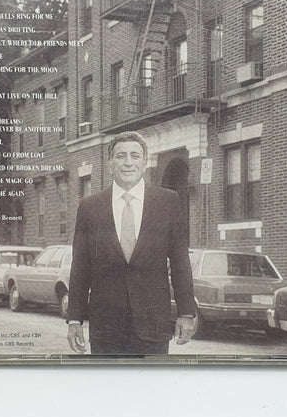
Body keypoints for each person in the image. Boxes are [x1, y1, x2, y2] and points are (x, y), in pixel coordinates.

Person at [67, 131, 197, 355]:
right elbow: (80, 267)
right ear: (110, 164)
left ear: (144, 163)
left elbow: (180, 262)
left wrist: (186, 312)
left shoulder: (167, 202)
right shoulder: (89, 207)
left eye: (135, 156)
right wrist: (74, 320)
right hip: (106, 329)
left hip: (153, 325)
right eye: (121, 156)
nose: (128, 162)